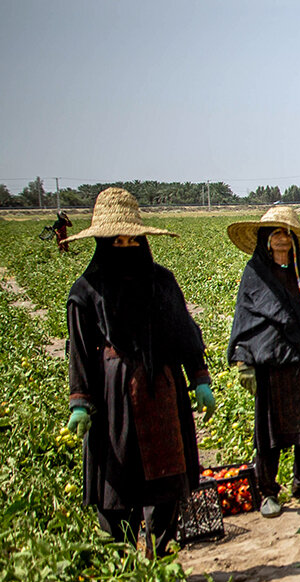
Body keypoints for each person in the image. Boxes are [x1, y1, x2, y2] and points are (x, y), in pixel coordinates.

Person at [62, 188, 215, 556]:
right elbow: (80, 352)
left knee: (166, 481)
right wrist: (80, 401)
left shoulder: (161, 281)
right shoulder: (86, 292)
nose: (126, 245)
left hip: (161, 390)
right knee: (118, 481)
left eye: (132, 239)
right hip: (113, 399)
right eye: (118, 239)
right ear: (103, 242)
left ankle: (162, 553)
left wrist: (199, 378)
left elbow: (183, 331)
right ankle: (122, 561)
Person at [226, 206, 300, 517]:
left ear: (294, 239)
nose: (282, 239)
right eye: (275, 233)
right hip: (269, 364)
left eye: (286, 233)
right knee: (270, 433)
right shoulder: (255, 273)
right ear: (265, 239)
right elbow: (244, 319)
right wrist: (244, 363)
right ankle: (268, 492)